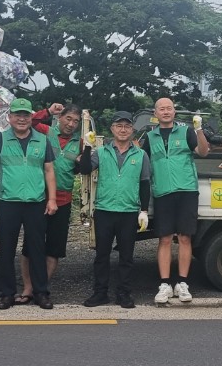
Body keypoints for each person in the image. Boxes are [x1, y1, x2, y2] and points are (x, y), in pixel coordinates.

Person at [0, 99, 59, 310]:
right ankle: (6, 294)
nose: (22, 119)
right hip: (8, 202)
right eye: (17, 115)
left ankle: (41, 293)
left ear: (30, 118)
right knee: (6, 251)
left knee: (37, 250)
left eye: (26, 115)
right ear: (10, 117)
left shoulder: (42, 141)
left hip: (36, 203)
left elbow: (49, 171)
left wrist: (51, 199)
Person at [139, 97, 209, 304]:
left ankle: (183, 283)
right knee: (165, 238)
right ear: (156, 113)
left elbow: (203, 152)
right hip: (162, 193)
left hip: (187, 190)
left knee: (185, 238)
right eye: (162, 109)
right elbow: (142, 164)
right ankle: (164, 284)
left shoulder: (186, 132)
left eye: (169, 108)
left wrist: (199, 130)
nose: (166, 111)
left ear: (174, 111)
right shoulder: (150, 137)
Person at [23, 103, 92, 303]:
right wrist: (47, 111)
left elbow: (86, 168)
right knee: (30, 246)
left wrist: (86, 152)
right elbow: (30, 121)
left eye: (76, 121)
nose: (71, 124)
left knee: (54, 248)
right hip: (39, 198)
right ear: (60, 118)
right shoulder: (46, 132)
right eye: (68, 119)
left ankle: (41, 288)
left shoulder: (78, 142)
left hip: (64, 200)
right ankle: (27, 288)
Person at [83, 112, 152, 309]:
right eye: (119, 126)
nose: (123, 129)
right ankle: (100, 293)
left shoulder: (140, 155)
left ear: (132, 130)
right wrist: (88, 148)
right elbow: (85, 169)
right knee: (102, 255)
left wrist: (144, 211)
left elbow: (144, 183)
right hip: (104, 210)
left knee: (127, 257)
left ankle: (124, 294)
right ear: (112, 129)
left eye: (127, 126)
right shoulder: (102, 152)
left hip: (129, 212)